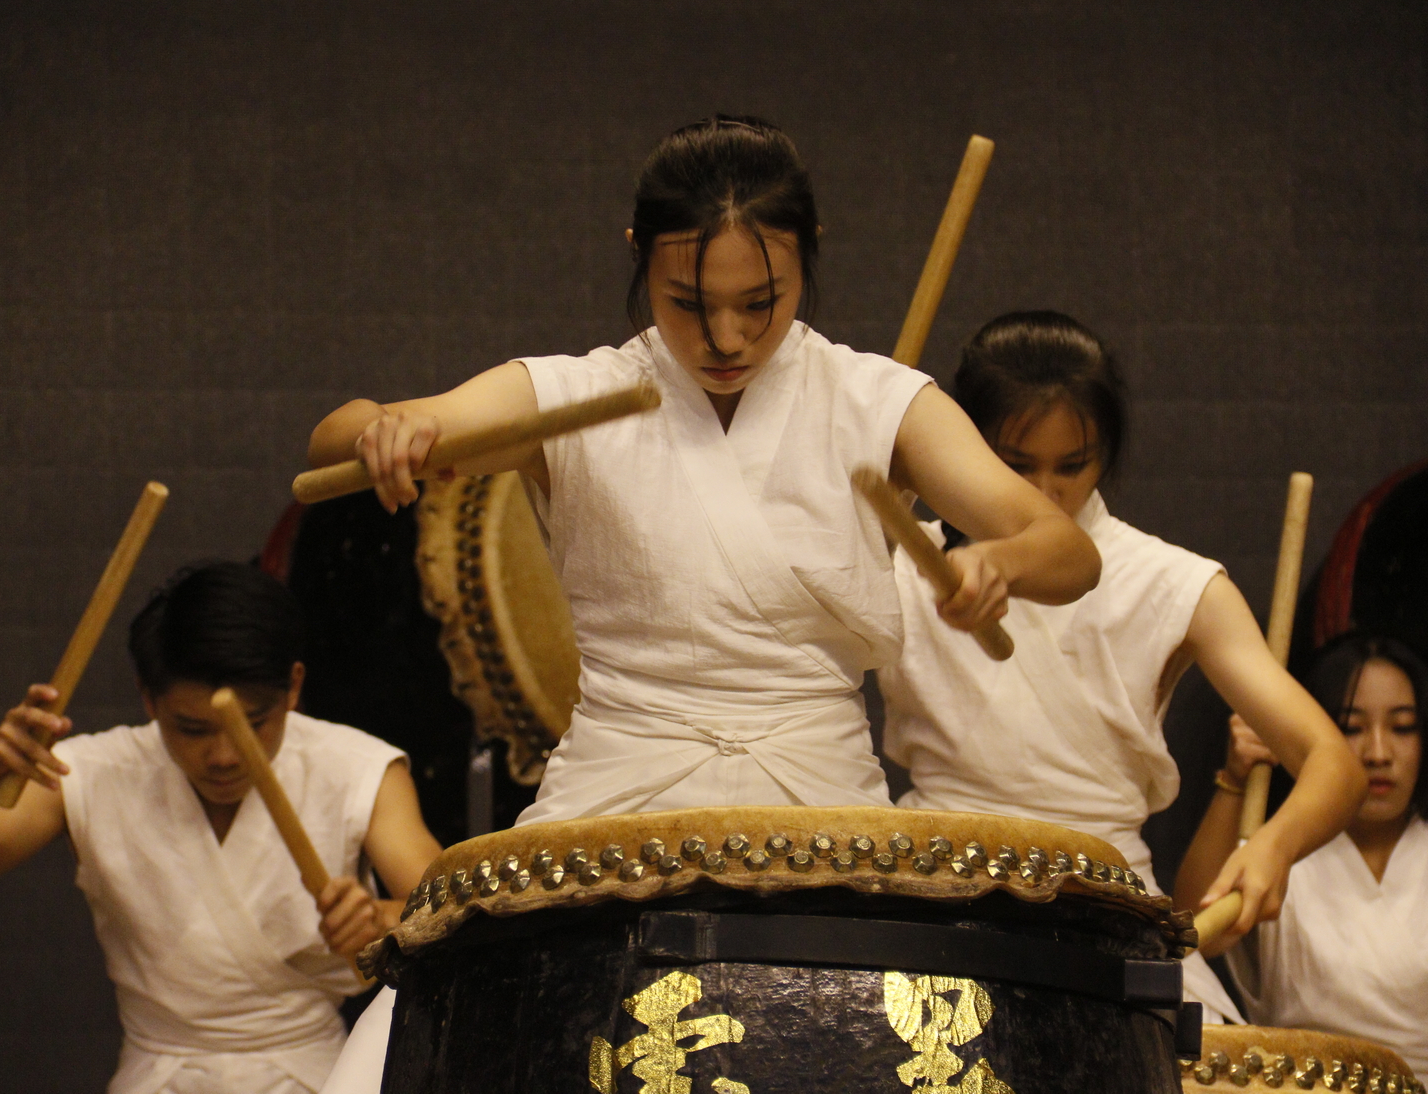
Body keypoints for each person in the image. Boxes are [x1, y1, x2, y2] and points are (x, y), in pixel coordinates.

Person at [306, 115, 1100, 1093]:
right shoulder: (574, 393)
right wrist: (389, 429)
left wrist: (1003, 566)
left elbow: (1063, 545)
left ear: (809, 262)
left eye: (759, 304)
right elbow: (338, 439)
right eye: (690, 304)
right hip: (609, 801)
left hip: (820, 810)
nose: (725, 337)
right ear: (641, 261)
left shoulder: (874, 399)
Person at [876, 311, 1365, 1023]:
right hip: (935, 888)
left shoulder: (1174, 583)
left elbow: (1332, 761)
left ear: (1105, 452)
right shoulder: (898, 558)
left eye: (1072, 465)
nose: (1048, 492)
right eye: (1017, 465)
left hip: (1104, 904)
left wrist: (1274, 849)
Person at [0, 561, 443, 1094]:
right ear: (148, 699)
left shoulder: (356, 767)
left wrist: (376, 920)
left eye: (251, 725)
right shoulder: (91, 773)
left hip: (315, 1072)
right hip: (157, 1072)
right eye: (192, 728)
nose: (224, 755)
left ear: (293, 687)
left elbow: (448, 917)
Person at [1178, 633, 1428, 1094]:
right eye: (1350, 728)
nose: (1378, 753)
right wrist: (1236, 778)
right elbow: (1190, 934)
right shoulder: (1273, 855)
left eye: (1402, 727)